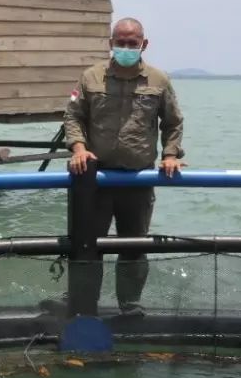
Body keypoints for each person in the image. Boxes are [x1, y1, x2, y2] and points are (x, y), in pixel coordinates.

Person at [52, 17, 185, 317]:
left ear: (143, 44)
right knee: (86, 244)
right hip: (95, 179)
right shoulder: (90, 77)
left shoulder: (159, 80)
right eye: (120, 42)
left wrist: (171, 155)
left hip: (138, 179)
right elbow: (73, 116)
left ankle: (130, 305)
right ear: (111, 43)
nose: (126, 47)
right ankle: (82, 303)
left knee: (135, 246)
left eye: (132, 43)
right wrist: (79, 148)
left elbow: (173, 122)